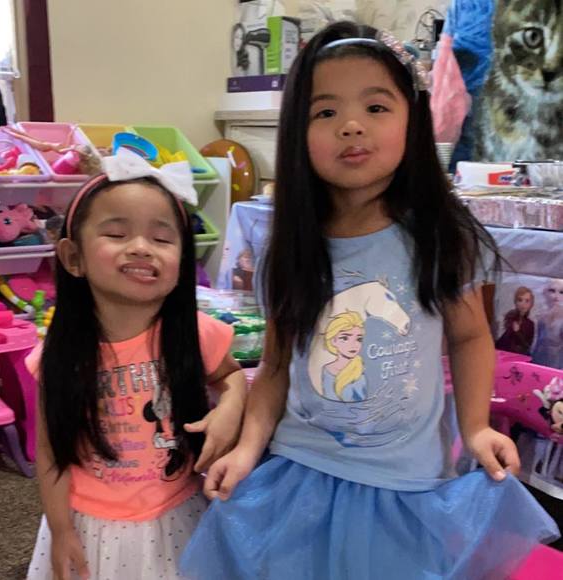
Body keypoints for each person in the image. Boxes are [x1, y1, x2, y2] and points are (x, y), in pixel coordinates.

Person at [180, 22, 559, 580]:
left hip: (406, 485)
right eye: (325, 112)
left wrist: (476, 427)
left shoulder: (439, 235)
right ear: (298, 131)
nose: (351, 125)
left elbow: (469, 336)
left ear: (412, 119)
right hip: (301, 472)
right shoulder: (289, 246)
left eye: (376, 107)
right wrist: (247, 447)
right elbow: (277, 366)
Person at [26, 149, 247, 580]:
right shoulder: (60, 355)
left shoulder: (194, 332)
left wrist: (230, 408)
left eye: (162, 239)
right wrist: (60, 528)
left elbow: (232, 376)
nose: (142, 248)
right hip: (91, 524)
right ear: (73, 257)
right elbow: (51, 451)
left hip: (177, 512)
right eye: (117, 233)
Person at [495, 286, 535, 355]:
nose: (523, 304)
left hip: (519, 355)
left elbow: (527, 345)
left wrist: (517, 332)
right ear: (515, 302)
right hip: (504, 353)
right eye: (520, 300)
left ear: (531, 304)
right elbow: (503, 341)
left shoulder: (530, 324)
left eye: (527, 301)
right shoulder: (510, 318)